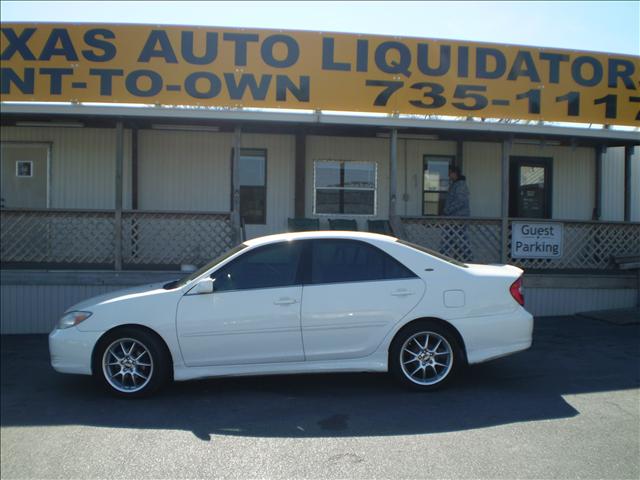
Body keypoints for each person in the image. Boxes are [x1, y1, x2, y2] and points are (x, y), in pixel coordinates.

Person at [442, 166, 472, 260]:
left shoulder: (460, 185)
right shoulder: (455, 184)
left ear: (455, 173)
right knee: (448, 238)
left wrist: (447, 210)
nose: (449, 175)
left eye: (450, 173)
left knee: (460, 239)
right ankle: (444, 257)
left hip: (459, 217)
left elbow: (460, 201)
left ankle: (467, 258)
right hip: (452, 218)